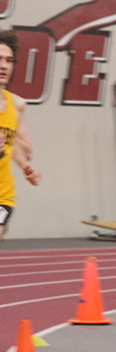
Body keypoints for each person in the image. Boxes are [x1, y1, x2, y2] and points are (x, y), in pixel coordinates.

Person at [0, 30, 41, 247]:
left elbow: (16, 143)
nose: (4, 66)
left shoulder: (16, 104)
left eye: (9, 60)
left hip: (2, 195)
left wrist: (26, 167)